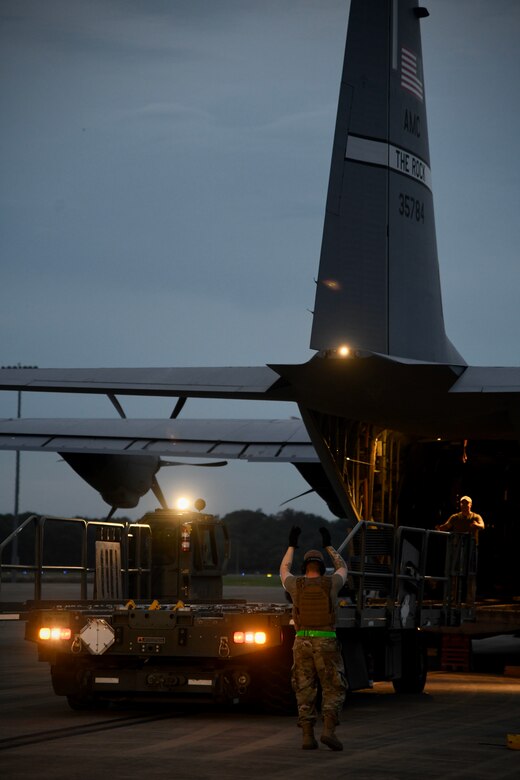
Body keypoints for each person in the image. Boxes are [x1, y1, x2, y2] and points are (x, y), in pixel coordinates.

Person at [280, 525, 348, 751]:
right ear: (321, 567)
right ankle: (328, 732)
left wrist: (291, 545)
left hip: (301, 641)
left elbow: (284, 569)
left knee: (304, 688)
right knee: (333, 688)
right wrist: (328, 545)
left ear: (305, 566)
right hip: (326, 641)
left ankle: (307, 737)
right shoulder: (332, 584)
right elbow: (342, 567)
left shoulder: (294, 585)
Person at [435, 496, 484, 603]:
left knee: (471, 573)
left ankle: (470, 599)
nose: (464, 505)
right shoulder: (455, 517)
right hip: (457, 548)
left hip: (471, 548)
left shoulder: (475, 516)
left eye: (466, 503)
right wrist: (440, 528)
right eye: (462, 503)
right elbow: (447, 526)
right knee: (454, 572)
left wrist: (476, 525)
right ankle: (453, 598)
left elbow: (482, 525)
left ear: (470, 505)